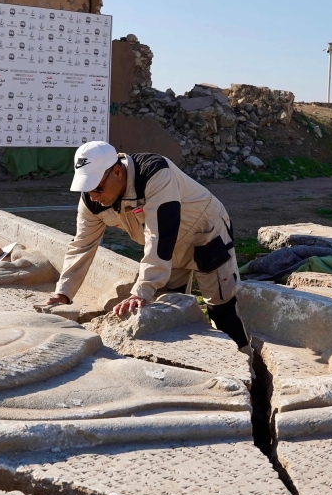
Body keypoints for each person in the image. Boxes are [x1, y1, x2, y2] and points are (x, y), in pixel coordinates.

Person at [44, 140, 249, 347]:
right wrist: (63, 293)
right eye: (87, 189)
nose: (93, 197)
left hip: (206, 235)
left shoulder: (155, 173)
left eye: (97, 188)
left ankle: (247, 369)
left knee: (223, 309)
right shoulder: (92, 200)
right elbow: (82, 245)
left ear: (117, 171)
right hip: (167, 248)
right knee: (171, 310)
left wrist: (141, 290)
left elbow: (159, 234)